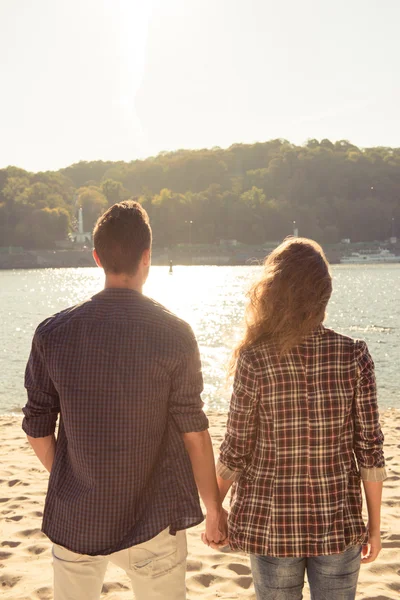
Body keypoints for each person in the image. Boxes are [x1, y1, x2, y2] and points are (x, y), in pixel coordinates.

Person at [22, 200, 227, 600]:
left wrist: (73, 479)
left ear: (96, 257)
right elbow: (194, 433)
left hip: (76, 517)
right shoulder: (175, 333)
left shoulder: (52, 333)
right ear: (147, 257)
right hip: (152, 519)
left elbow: (36, 427)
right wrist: (214, 509)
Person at [213, 238, 386, 600]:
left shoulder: (256, 358)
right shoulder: (353, 355)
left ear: (272, 293)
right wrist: (375, 525)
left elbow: (236, 449)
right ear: (325, 294)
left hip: (272, 527)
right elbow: (370, 449)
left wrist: (215, 508)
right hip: (337, 523)